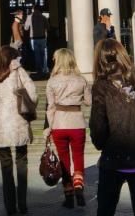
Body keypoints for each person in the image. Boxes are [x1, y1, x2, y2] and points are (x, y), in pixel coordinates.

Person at [89, 38, 135, 216]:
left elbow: (98, 129)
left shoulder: (101, 87)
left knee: (105, 210)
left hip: (114, 159)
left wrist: (104, 143)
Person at [0, 45, 37, 215]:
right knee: (22, 163)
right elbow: (33, 94)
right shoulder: (19, 71)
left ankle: (10, 207)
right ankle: (22, 205)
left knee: (6, 169)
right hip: (18, 123)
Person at [44, 48, 92, 208]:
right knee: (78, 157)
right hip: (77, 122)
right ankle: (78, 184)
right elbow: (89, 101)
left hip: (59, 123)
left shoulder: (52, 81)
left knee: (64, 161)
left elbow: (50, 107)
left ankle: (68, 194)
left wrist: (49, 128)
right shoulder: (81, 80)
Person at [26, 9, 49, 75]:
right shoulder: (43, 17)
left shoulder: (29, 17)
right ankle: (45, 69)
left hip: (34, 38)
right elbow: (48, 27)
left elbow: (26, 28)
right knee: (44, 54)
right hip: (42, 38)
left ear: (33, 10)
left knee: (37, 55)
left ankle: (39, 70)